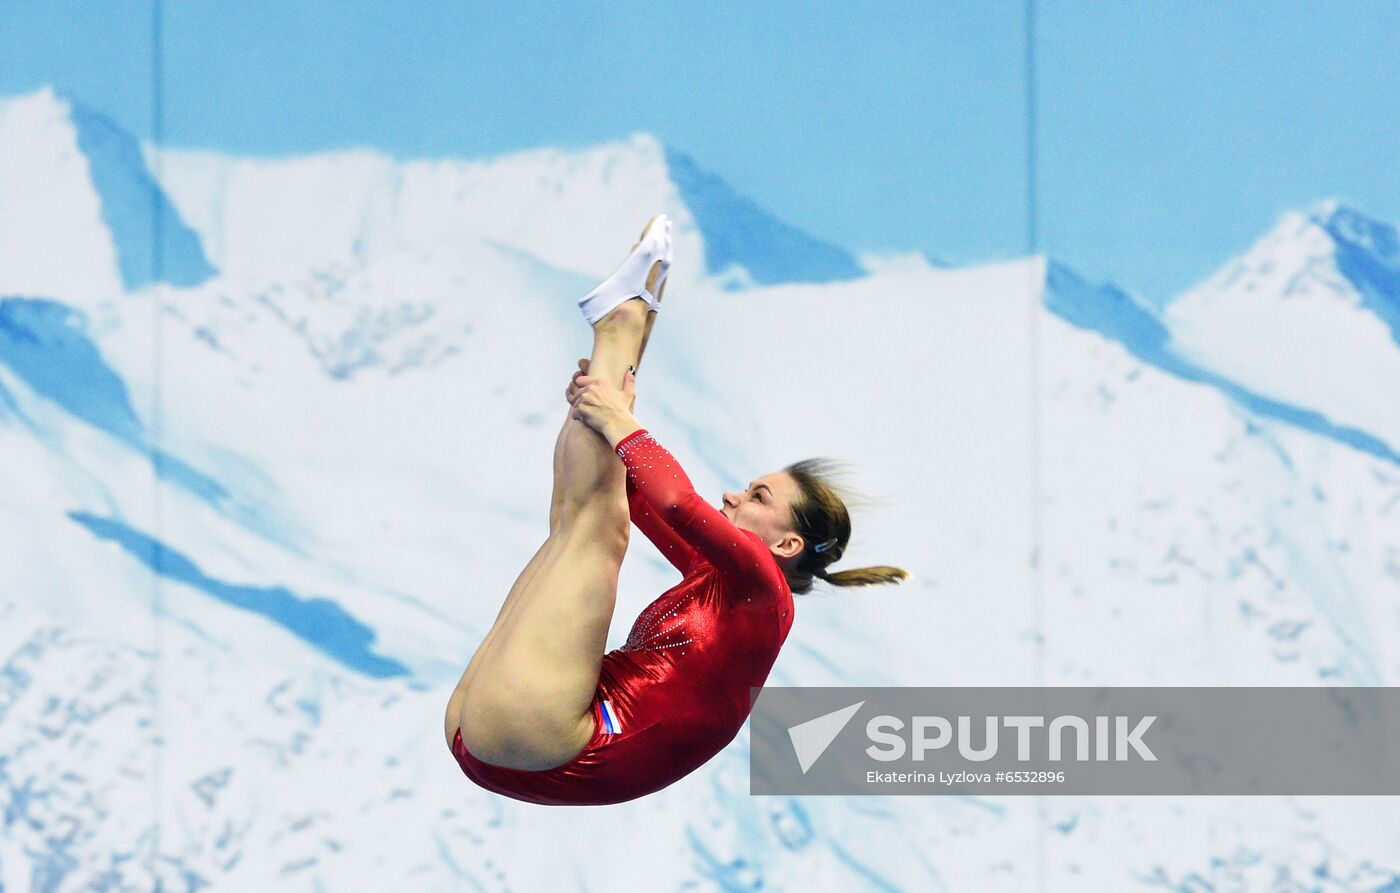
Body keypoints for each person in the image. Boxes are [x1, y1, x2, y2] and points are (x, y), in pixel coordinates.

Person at [443, 214, 909, 805]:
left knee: (596, 528)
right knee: (592, 509)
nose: (733, 497)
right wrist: (603, 404)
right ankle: (624, 334)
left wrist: (617, 418)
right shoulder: (716, 579)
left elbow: (675, 500)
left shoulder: (763, 592)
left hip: (556, 744)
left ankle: (621, 327)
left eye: (757, 497)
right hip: (508, 734)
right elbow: (634, 493)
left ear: (787, 545)